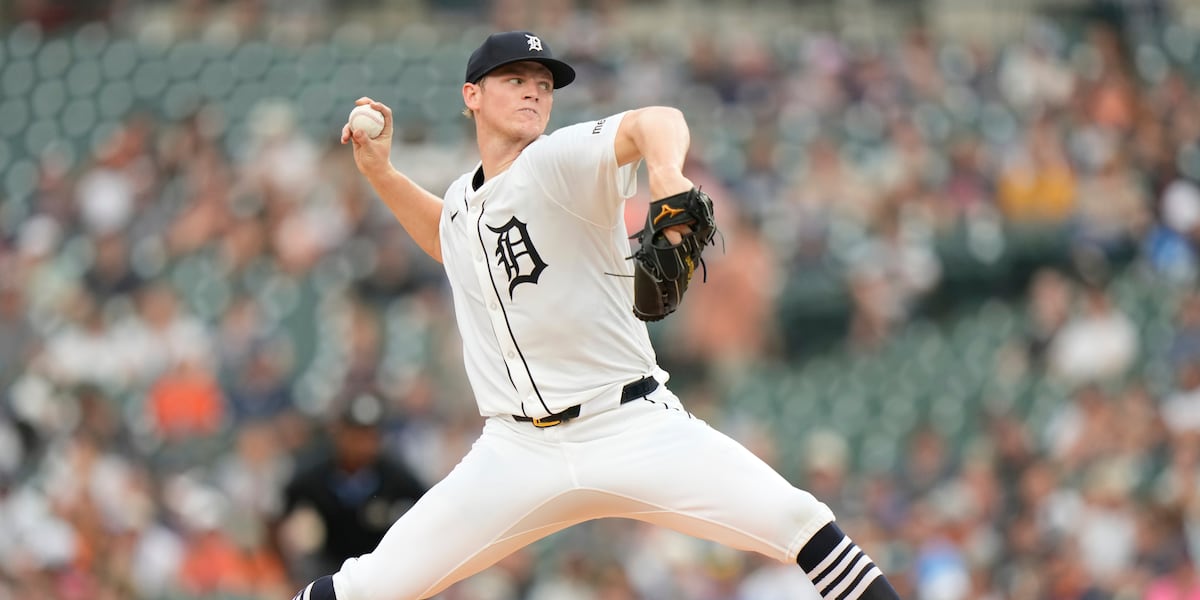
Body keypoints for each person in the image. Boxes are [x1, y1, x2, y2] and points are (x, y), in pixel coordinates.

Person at [292, 30, 901, 600]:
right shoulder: (462, 200)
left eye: (544, 81)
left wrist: (665, 175)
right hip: (514, 451)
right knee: (364, 587)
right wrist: (381, 172)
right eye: (515, 78)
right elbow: (447, 237)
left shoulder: (560, 161)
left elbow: (658, 120)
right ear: (471, 96)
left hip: (630, 425)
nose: (534, 88)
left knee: (800, 520)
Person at [280, 393, 427, 583]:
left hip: (380, 569)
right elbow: (283, 510)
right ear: (340, 433)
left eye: (370, 435)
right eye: (356, 434)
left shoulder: (395, 476)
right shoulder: (314, 475)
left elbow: (426, 504)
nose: (363, 443)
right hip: (327, 569)